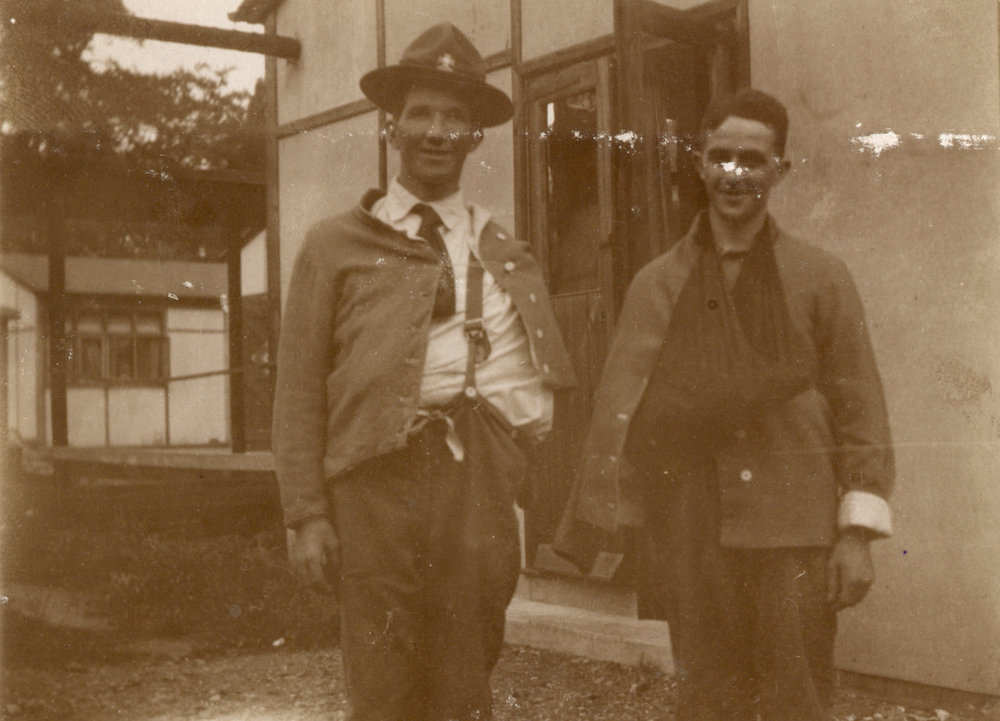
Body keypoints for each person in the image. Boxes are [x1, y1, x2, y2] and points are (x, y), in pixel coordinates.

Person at [554, 88, 894, 721]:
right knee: (708, 701)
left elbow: (860, 408)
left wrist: (856, 536)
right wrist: (610, 515)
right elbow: (622, 406)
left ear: (779, 170)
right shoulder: (656, 283)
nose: (734, 173)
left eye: (752, 159)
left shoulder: (821, 277)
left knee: (798, 700)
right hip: (693, 527)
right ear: (700, 163)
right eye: (720, 156)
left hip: (795, 524)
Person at [271, 22, 574, 721]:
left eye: (455, 117)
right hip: (373, 483)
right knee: (381, 683)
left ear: (474, 137)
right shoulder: (336, 244)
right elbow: (297, 388)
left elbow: (543, 378)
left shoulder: (502, 249)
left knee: (466, 675)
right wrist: (307, 512)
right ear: (392, 126)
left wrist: (512, 470)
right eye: (421, 113)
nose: (437, 130)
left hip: (476, 486)